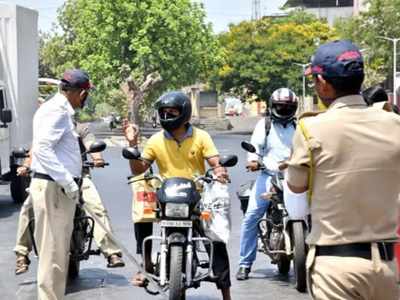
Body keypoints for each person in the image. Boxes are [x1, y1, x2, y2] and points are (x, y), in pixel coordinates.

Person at [286, 40, 400, 300]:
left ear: (323, 83)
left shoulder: (311, 128)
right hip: (386, 266)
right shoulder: (395, 124)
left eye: (315, 80)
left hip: (335, 267)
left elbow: (295, 185)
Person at [123, 91, 232, 300]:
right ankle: (145, 264)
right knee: (141, 210)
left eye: (171, 111)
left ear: (184, 113)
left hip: (197, 197)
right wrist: (132, 144)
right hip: (166, 197)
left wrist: (220, 172)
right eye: (163, 112)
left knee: (216, 238)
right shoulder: (155, 140)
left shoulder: (201, 137)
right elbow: (139, 168)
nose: (167, 116)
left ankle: (226, 292)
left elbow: (215, 162)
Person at [14, 122, 125, 275]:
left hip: (78, 177)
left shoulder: (80, 129)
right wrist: (26, 166)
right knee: (28, 208)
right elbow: (35, 151)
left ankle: (112, 252)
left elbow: (91, 144)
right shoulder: (46, 128)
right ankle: (22, 254)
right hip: (49, 179)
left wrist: (97, 159)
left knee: (95, 206)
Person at [30, 69, 92, 300]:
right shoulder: (56, 111)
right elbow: (43, 149)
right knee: (52, 253)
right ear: (81, 93)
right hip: (53, 188)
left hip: (57, 188)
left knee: (58, 254)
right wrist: (68, 181)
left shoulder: (60, 110)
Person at [236, 88, 298, 280]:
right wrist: (253, 161)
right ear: (273, 107)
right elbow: (254, 148)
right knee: (252, 216)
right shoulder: (265, 125)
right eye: (280, 106)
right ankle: (244, 264)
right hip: (268, 175)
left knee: (313, 212)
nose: (284, 110)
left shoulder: (299, 127)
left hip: (294, 176)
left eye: (288, 107)